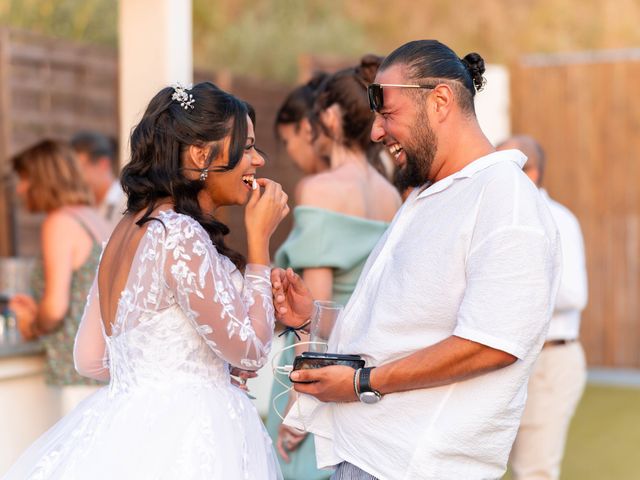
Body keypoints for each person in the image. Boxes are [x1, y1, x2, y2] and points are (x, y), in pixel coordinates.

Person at [271, 40, 562, 480]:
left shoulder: (506, 199)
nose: (375, 132)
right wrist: (312, 316)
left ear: (440, 99)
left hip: (416, 466)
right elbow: (398, 327)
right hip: (368, 457)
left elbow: (492, 344)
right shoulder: (427, 196)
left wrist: (361, 383)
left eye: (387, 114)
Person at [3, 82, 293, 479]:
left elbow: (88, 358)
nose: (258, 160)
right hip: (193, 435)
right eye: (246, 147)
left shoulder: (125, 231)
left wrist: (169, 371)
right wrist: (259, 241)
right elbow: (250, 353)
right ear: (200, 154)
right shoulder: (179, 233)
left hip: (124, 428)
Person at [266, 57, 401, 480]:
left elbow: (316, 315)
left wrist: (296, 411)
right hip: (365, 373)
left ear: (328, 116)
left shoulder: (319, 189)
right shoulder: (390, 196)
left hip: (319, 377)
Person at [498, 135, 588, 480]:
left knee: (534, 471)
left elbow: (574, 295)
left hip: (549, 361)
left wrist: (509, 286)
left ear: (531, 173)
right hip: (514, 361)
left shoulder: (555, 218)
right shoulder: (508, 216)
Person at [9, 140, 111, 415]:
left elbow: (56, 309)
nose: (19, 189)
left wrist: (32, 322)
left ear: (42, 179)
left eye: (24, 179)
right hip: (102, 364)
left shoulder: (59, 223)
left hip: (76, 370)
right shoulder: (92, 218)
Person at [71, 131, 127, 232]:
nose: (75, 178)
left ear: (103, 164)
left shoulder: (128, 202)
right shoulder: (81, 206)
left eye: (80, 169)